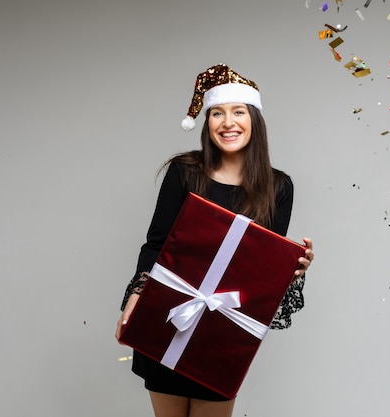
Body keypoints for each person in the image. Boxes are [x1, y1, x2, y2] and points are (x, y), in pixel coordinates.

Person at [115, 63, 314, 417]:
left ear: (255, 120)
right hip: (168, 317)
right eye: (217, 113)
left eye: (238, 111)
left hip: (221, 336)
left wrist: (294, 268)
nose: (228, 122)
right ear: (207, 123)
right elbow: (156, 245)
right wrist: (135, 297)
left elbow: (261, 273)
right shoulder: (183, 172)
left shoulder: (278, 188)